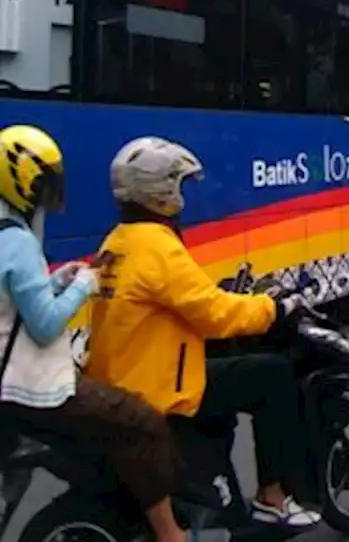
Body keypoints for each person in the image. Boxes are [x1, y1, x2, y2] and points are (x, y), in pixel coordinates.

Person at [85, 137, 322, 530]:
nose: (183, 193)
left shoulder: (118, 241)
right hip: (158, 388)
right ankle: (273, 498)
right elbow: (214, 314)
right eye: (179, 182)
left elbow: (182, 297)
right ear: (162, 190)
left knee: (227, 371)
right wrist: (272, 308)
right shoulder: (157, 246)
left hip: (125, 377)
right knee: (272, 375)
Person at [0, 126, 187, 542]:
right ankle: (171, 534)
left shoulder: (4, 234)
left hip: (10, 384)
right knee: (144, 424)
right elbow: (46, 325)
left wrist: (56, 282)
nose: (53, 195)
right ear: (22, 181)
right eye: (45, 184)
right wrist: (84, 285)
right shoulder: (18, 243)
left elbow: (13, 306)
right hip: (36, 388)